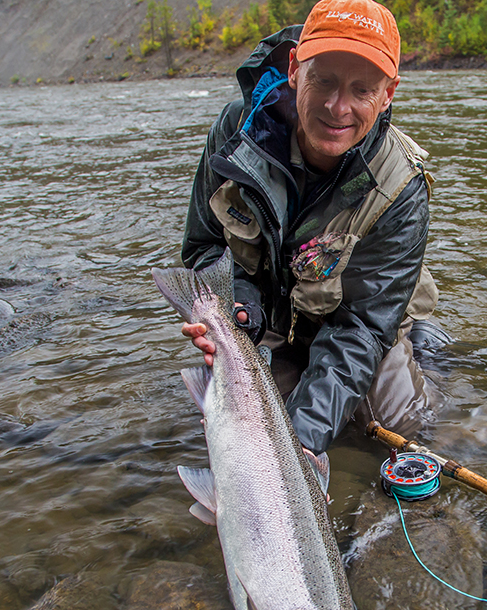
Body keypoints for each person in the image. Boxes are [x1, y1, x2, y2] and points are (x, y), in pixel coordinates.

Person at [179, 0, 443, 454]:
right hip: (273, 321)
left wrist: (296, 454)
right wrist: (238, 299)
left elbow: (361, 329)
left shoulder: (402, 185)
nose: (337, 107)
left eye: (362, 89)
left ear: (388, 94)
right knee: (239, 433)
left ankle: (426, 344)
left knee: (405, 429)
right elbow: (203, 247)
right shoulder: (235, 133)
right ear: (295, 68)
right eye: (323, 80)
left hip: (360, 319)